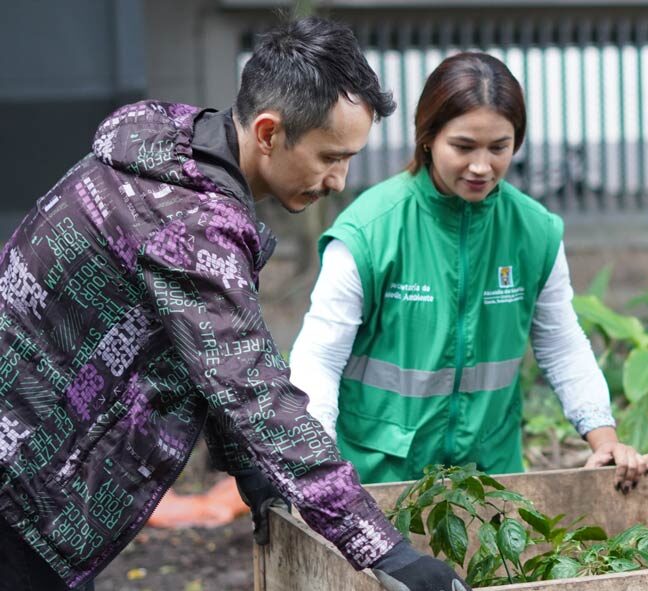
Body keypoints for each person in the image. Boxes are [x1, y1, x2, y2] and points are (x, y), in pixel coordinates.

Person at [0, 17, 466, 591]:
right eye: (330, 157)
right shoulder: (191, 223)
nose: (340, 180)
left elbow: (206, 364)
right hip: (20, 494)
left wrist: (259, 479)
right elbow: (251, 388)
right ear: (268, 132)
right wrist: (387, 553)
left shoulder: (169, 157)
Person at [288, 52, 648, 492]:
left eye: (499, 148)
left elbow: (561, 343)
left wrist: (603, 436)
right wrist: (321, 464)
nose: (482, 167)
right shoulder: (370, 231)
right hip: (378, 480)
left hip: (490, 480)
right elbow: (319, 357)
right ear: (428, 138)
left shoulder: (534, 231)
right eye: (463, 147)